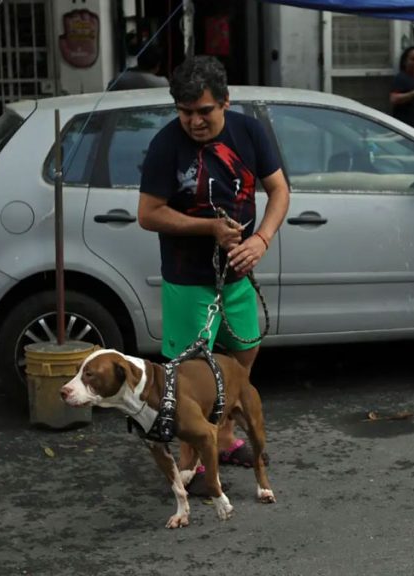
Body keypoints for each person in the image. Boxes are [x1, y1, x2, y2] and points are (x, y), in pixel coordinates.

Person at [137, 56, 290, 493]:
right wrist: (208, 227)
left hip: (238, 275)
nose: (194, 122)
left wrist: (260, 239)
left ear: (225, 102)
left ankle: (221, 439)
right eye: (185, 112)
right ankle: (192, 463)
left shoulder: (249, 131)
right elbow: (148, 214)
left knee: (242, 360)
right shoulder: (166, 145)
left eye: (204, 111)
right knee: (187, 375)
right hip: (187, 277)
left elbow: (279, 190)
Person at [390, 46, 414, 129]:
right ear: (405, 61)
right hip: (404, 127)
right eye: (412, 59)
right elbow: (394, 98)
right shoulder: (401, 78)